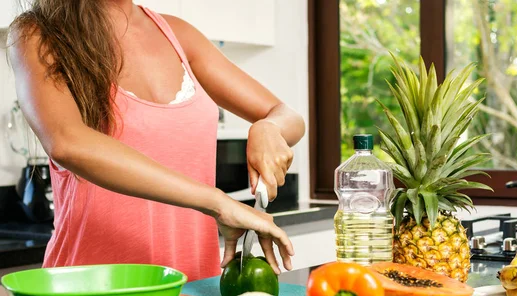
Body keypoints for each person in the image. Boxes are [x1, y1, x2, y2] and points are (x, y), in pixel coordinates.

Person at [7, 0, 305, 281]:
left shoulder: (178, 35)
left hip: (194, 293)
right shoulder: (38, 34)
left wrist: (267, 128)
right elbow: (67, 143)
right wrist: (217, 202)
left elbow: (288, 117)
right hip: (90, 293)